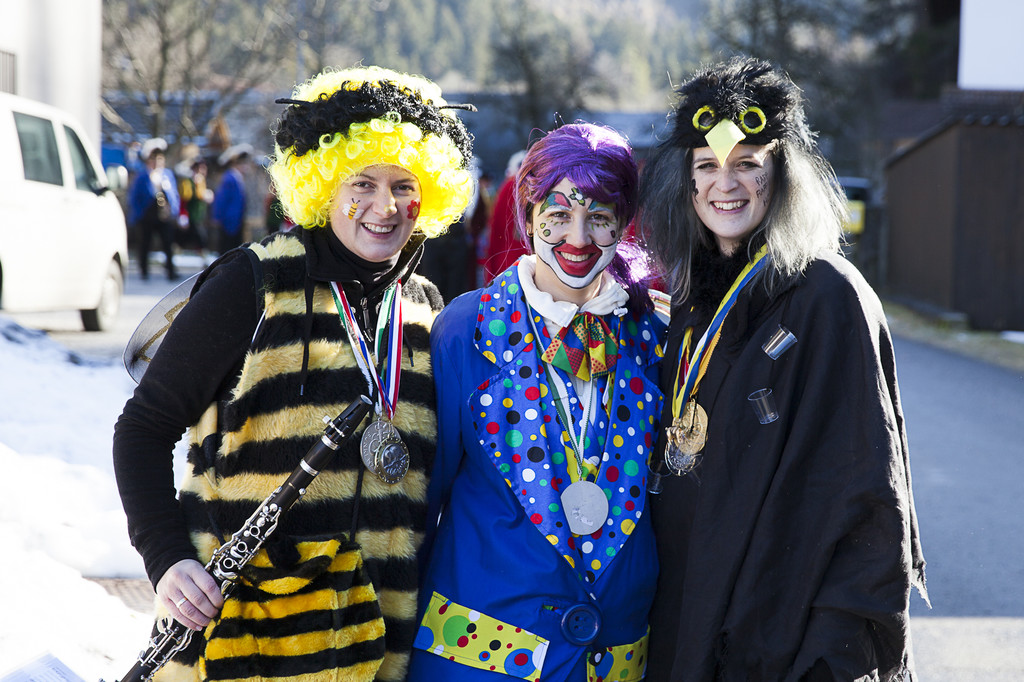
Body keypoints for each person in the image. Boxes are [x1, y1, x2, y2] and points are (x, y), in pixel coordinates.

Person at [113, 65, 475, 681]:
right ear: (323, 184)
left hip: (375, 642)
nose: (385, 207)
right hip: (245, 636)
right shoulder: (252, 283)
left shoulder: (425, 308)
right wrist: (167, 560)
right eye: (362, 183)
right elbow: (143, 429)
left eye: (404, 185)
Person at [637, 56, 927, 681]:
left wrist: (835, 655)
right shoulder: (690, 297)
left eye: (748, 163)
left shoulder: (829, 295)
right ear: (685, 181)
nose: (726, 183)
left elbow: (866, 490)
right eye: (706, 165)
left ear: (783, 174)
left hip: (780, 636)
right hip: (685, 615)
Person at [408, 123, 665, 682]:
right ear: (527, 216)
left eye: (599, 216)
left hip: (615, 660)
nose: (578, 237)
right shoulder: (467, 327)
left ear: (624, 222)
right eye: (558, 215)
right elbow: (423, 498)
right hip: (478, 659)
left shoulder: (653, 335)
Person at [128, 137, 180, 280]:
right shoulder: (142, 176)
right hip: (148, 214)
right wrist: (138, 215)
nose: (157, 162)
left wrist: (173, 210)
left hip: (163, 214)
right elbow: (135, 197)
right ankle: (144, 270)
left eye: (159, 159)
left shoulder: (167, 175)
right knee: (145, 243)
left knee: (168, 242)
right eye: (154, 159)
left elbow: (174, 194)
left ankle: (170, 270)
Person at [482, 149, 528, 282]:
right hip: (531, 260)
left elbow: (495, 229)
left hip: (507, 262)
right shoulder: (542, 187)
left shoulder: (508, 187)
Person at [211, 143, 252, 253]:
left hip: (236, 221)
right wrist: (218, 217)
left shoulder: (238, 178)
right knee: (227, 250)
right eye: (243, 163)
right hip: (229, 222)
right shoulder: (230, 178)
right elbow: (221, 199)